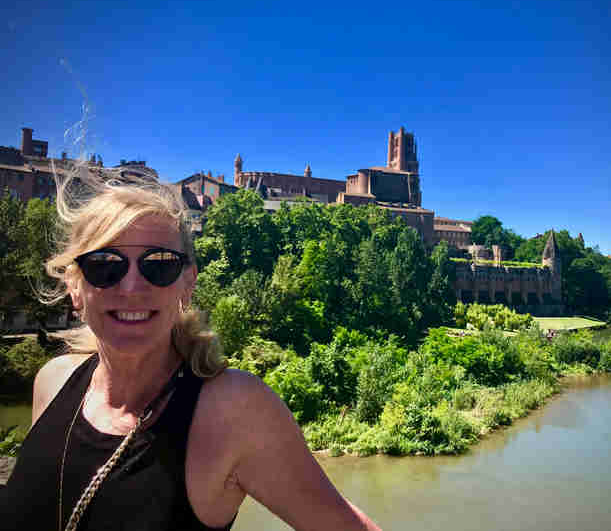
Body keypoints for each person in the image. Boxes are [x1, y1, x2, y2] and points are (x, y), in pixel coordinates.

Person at [1, 165, 381, 531]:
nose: (131, 288)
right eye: (105, 265)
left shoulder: (232, 410)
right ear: (74, 286)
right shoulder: (52, 382)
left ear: (187, 283)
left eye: (159, 265)